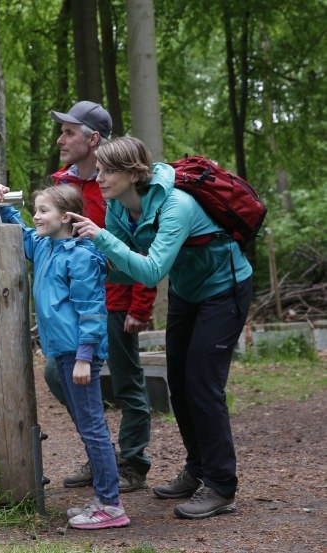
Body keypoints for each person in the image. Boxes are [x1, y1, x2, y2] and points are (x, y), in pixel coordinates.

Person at [70, 136, 252, 520]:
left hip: (225, 289)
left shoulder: (177, 205)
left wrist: (100, 238)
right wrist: (87, 264)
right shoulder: (119, 209)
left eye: (106, 171)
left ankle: (221, 486)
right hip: (188, 292)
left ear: (132, 173)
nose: (98, 177)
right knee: (179, 382)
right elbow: (123, 266)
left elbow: (152, 270)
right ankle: (197, 469)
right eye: (98, 170)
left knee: (203, 383)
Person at [0, 183, 129, 530]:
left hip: (78, 354)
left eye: (44, 210)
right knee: (86, 425)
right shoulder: (45, 246)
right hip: (64, 352)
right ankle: (103, 498)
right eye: (35, 209)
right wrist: (3, 204)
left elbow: (93, 311)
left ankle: (111, 506)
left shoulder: (81, 255)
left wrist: (84, 356)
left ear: (66, 217)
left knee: (93, 427)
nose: (36, 216)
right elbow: (21, 235)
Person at [47, 101, 157, 492]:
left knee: (127, 383)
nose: (61, 139)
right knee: (57, 376)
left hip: (115, 300)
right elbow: (49, 240)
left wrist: (140, 305)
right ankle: (101, 456)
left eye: (69, 132)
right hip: (73, 305)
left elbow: (144, 243)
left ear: (93, 139)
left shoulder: (119, 184)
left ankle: (133, 463)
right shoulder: (62, 181)